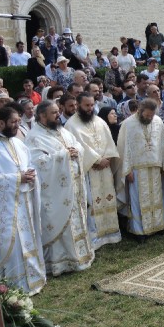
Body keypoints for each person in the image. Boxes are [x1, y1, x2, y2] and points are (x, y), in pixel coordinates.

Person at [25, 100, 94, 276]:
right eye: (54, 112)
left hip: (74, 187)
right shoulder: (34, 137)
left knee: (76, 220)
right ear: (42, 115)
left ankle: (80, 256)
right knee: (60, 223)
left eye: (58, 111)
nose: (58, 114)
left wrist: (76, 150)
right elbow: (37, 163)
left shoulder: (61, 130)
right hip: (55, 193)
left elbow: (76, 145)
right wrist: (63, 155)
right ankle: (60, 262)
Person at [0, 107, 46, 295]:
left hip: (24, 203)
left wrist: (32, 174)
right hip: (6, 210)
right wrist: (17, 178)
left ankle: (32, 279)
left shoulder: (18, 143)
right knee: (15, 245)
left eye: (19, 121)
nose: (17, 126)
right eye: (13, 122)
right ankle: (11, 285)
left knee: (27, 240)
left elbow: (30, 165)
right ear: (0, 123)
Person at [65, 92, 121, 249]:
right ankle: (95, 237)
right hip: (89, 170)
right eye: (86, 105)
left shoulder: (99, 121)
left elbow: (109, 141)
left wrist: (108, 158)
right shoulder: (71, 125)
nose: (90, 108)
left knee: (108, 198)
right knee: (92, 202)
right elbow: (78, 146)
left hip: (105, 168)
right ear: (78, 105)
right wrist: (96, 160)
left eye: (92, 105)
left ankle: (110, 233)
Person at [114, 99, 164, 238]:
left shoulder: (158, 121)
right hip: (136, 169)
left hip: (154, 166)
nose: (149, 118)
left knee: (157, 197)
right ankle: (140, 230)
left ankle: (158, 225)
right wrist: (127, 170)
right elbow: (123, 148)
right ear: (140, 111)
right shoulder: (128, 124)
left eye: (151, 116)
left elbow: (163, 143)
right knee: (138, 199)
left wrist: (163, 163)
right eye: (147, 115)